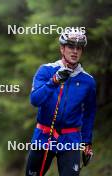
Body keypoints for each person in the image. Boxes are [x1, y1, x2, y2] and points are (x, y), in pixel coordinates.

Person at [25, 28, 96, 176]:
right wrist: (54, 81)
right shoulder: (46, 70)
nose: (75, 51)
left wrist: (87, 142)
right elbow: (35, 100)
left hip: (71, 139)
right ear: (62, 48)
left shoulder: (88, 81)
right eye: (71, 46)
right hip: (44, 136)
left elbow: (89, 114)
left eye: (79, 48)